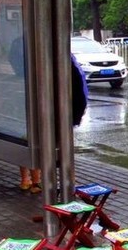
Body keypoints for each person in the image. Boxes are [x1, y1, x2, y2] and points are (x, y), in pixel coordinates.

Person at [19, 55, 88, 193]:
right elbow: (79, 89)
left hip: (40, 110)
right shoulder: (64, 60)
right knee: (57, 146)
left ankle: (29, 180)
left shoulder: (29, 58)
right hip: (57, 113)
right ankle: (60, 181)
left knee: (30, 140)